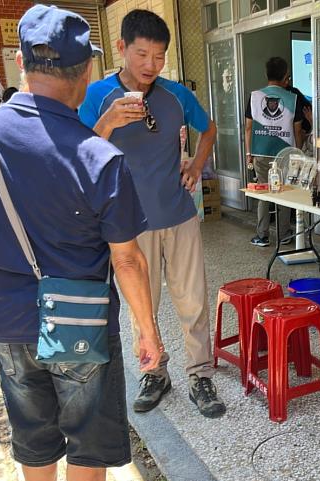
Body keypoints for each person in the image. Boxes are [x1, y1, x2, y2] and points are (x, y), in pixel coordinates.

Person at [0, 4, 163, 481]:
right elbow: (127, 257)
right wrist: (148, 332)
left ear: (21, 62)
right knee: (87, 436)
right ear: (89, 71)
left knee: (33, 431)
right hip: (78, 323)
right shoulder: (100, 157)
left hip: (9, 322)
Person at [79, 9, 224, 418]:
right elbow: (78, 156)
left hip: (179, 216)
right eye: (142, 54)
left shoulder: (176, 95)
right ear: (121, 48)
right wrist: (107, 123)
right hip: (128, 226)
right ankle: (155, 372)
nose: (150, 65)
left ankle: (199, 374)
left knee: (192, 301)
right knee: (144, 305)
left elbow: (209, 128)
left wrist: (196, 165)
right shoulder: (97, 97)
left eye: (159, 56)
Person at [244, 57, 304, 247]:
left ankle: (262, 236)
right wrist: (298, 152)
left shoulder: (255, 97)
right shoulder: (292, 99)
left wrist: (249, 153)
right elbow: (298, 131)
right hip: (285, 153)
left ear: (266, 74)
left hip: (260, 152)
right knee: (283, 193)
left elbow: (248, 128)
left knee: (264, 192)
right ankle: (284, 235)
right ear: (286, 75)